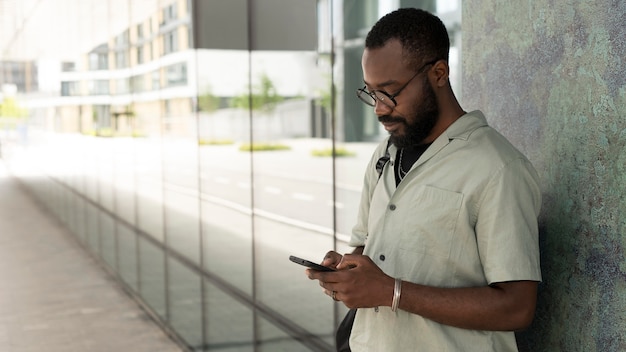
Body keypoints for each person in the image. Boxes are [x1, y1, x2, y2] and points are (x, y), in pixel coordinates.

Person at [306, 8, 542, 352]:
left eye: (389, 92)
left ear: (439, 73)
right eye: (371, 92)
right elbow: (366, 248)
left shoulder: (498, 168)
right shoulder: (385, 154)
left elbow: (517, 307)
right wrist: (346, 273)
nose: (379, 109)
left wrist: (391, 291)